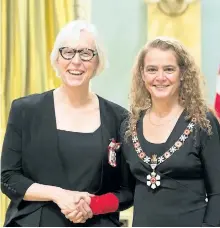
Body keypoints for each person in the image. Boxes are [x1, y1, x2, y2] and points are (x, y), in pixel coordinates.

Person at [1, 20, 134, 227]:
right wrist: (58, 195)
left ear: (98, 62)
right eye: (68, 52)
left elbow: (127, 191)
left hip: (96, 222)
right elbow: (8, 178)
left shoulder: (119, 118)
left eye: (86, 53)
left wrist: (94, 205)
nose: (76, 61)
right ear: (57, 59)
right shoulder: (25, 110)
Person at [121, 37, 220, 227]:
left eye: (169, 69)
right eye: (152, 69)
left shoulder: (203, 122)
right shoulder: (129, 125)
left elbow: (218, 192)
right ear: (142, 74)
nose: (160, 77)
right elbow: (125, 190)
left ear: (182, 73)